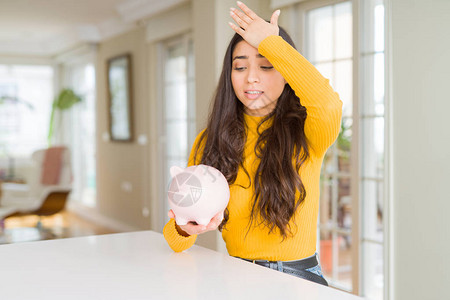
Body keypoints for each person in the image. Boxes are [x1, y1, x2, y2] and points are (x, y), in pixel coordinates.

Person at [163, 1, 342, 286]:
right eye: (240, 66)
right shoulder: (210, 140)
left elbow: (329, 103)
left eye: (267, 65)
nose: (251, 78)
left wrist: (273, 43)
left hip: (298, 279)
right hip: (235, 276)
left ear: (286, 73)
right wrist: (185, 228)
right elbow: (177, 240)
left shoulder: (307, 132)